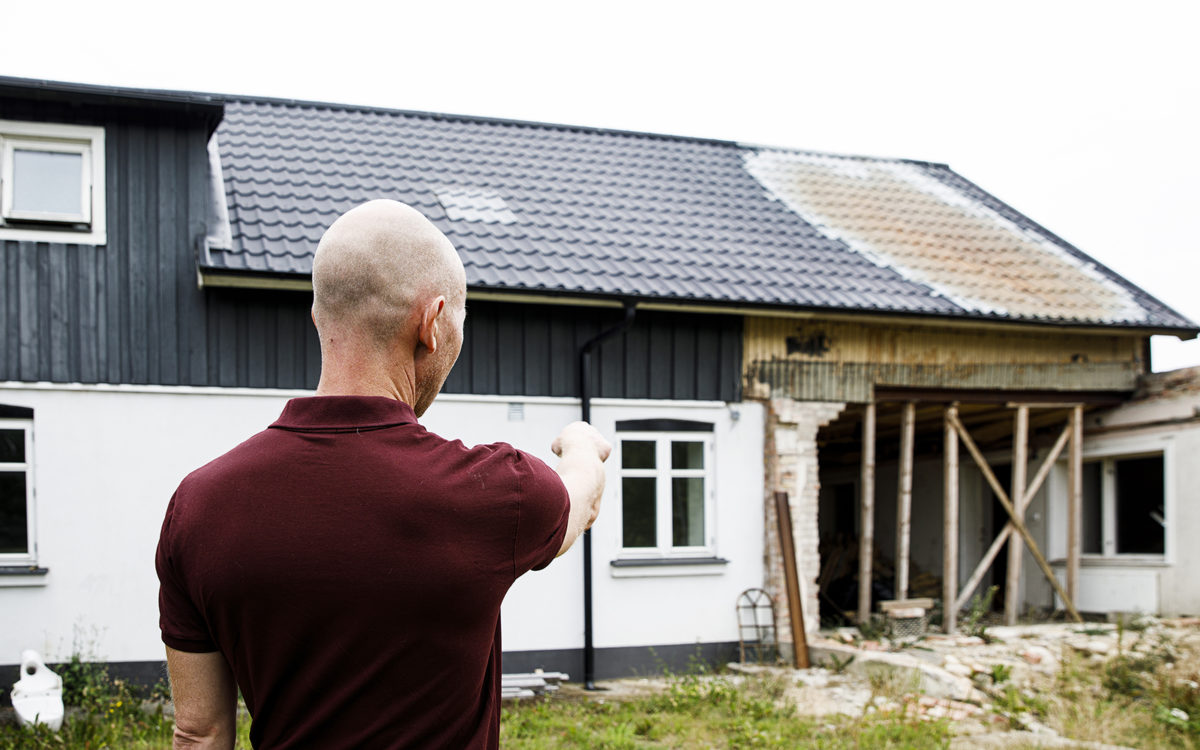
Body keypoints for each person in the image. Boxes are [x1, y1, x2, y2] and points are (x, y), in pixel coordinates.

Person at [155, 199, 611, 749]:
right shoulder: (495, 491)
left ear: (321, 317)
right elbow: (578, 498)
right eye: (460, 322)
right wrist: (581, 442)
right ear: (432, 322)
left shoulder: (199, 505)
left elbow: (199, 734)